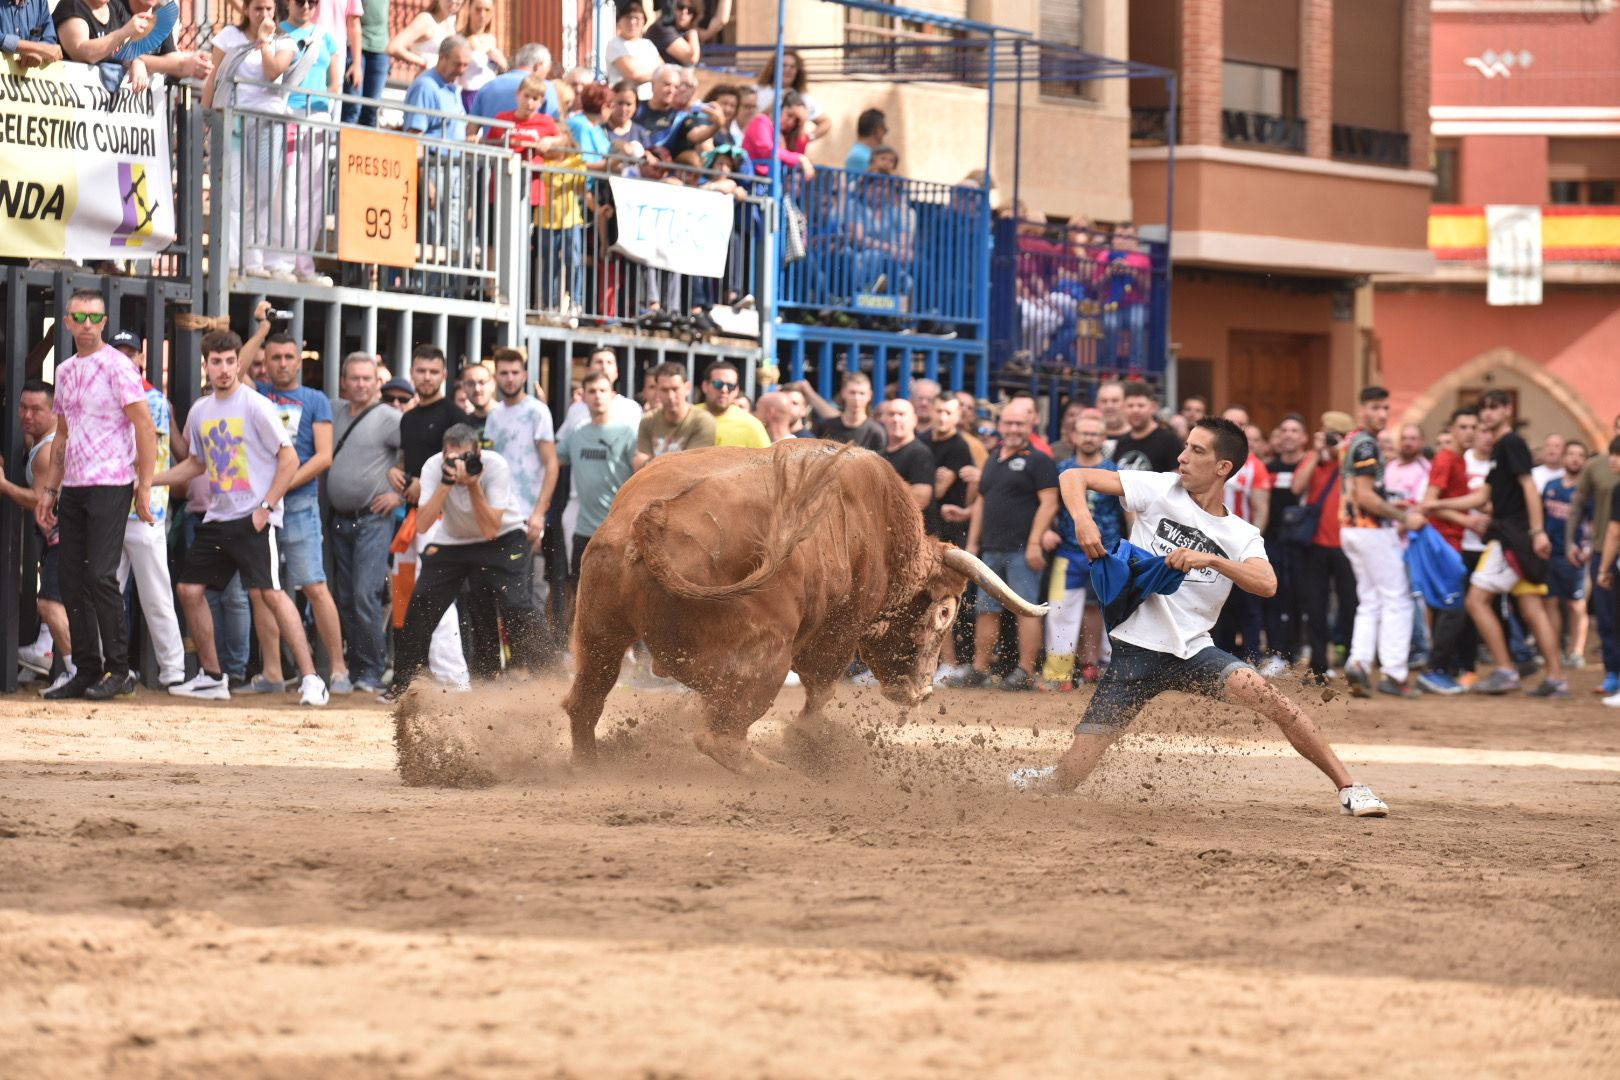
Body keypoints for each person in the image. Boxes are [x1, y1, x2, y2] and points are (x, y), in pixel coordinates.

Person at [1008, 418, 1390, 818]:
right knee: (1068, 780)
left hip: (1193, 653)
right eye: (1186, 447)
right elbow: (1072, 475)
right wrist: (1083, 522)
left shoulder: (1241, 534)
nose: (1182, 457)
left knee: (1280, 705)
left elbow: (1267, 583)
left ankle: (1351, 788)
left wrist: (1211, 559)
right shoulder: (1160, 487)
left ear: (1223, 467)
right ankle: (1049, 775)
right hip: (1133, 655)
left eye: (1196, 451)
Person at [157, 330, 328, 707]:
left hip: (253, 517)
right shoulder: (201, 410)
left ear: (239, 362)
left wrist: (266, 507)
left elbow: (290, 458)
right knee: (189, 590)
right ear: (206, 365)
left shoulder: (255, 405)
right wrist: (150, 479)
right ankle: (213, 677)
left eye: (229, 361)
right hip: (217, 517)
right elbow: (196, 464)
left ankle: (312, 679)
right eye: (215, 362)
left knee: (270, 593)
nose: (223, 369)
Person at [33, 290, 156, 701]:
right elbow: (63, 435)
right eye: (79, 317)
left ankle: (119, 669)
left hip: (112, 480)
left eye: (94, 317)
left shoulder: (119, 366)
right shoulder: (66, 370)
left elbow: (143, 425)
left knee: (101, 575)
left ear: (103, 323)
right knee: (70, 578)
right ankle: (86, 669)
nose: (86, 324)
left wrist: (145, 484)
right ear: (66, 322)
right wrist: (50, 489)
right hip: (76, 485)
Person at [380, 423, 545, 701]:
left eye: (464, 458)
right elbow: (422, 525)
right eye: (451, 458)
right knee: (421, 602)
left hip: (501, 538)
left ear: (477, 453)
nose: (457, 464)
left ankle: (547, 676)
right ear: (444, 453)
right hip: (454, 541)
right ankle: (406, 682)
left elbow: (490, 528)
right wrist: (445, 485)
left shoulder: (495, 466)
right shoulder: (433, 467)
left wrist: (472, 485)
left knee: (515, 604)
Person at [1423, 389, 1567, 697]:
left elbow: (1529, 487)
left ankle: (1505, 670)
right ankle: (1556, 678)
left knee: (1475, 601)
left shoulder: (1510, 443)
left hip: (1511, 538)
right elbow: (1483, 496)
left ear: (1507, 410)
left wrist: (1538, 531)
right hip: (1519, 537)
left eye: (1495, 408)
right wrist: (1436, 505)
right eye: (1484, 408)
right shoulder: (1502, 448)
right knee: (1532, 609)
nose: (1488, 414)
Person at [249, 331, 350, 694]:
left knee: (314, 585)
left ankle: (338, 669)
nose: (282, 364)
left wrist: (282, 483)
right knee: (262, 590)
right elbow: (238, 368)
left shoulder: (315, 399)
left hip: (299, 502)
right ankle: (273, 673)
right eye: (274, 357)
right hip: (262, 504)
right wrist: (260, 330)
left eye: (288, 357)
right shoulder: (257, 393)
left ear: (298, 360)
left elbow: (324, 456)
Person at [954, 398, 1059, 691]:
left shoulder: (1039, 460)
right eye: (1008, 423)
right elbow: (982, 502)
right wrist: (973, 545)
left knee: (1026, 609)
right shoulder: (993, 456)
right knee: (986, 609)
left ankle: (1025, 671)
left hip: (1023, 549)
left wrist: (1036, 542)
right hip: (991, 548)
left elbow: (1049, 505)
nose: (1013, 428)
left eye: (1019, 423)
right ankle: (980, 668)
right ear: (1000, 425)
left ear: (1030, 425)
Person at [390, 343, 473, 690]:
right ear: (412, 373)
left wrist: (421, 487)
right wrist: (395, 475)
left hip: (441, 520)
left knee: (434, 596)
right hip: (412, 520)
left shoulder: (455, 417)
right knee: (404, 596)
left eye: (433, 372)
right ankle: (408, 676)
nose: (426, 377)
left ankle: (452, 678)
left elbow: (466, 470)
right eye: (420, 371)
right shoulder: (407, 418)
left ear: (443, 375)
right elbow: (407, 462)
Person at [1334, 387, 1426, 699]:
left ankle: (1359, 663)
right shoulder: (1367, 445)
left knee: (1371, 600)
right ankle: (1395, 673)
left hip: (1350, 528)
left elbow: (1360, 494)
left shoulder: (1352, 440)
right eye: (1375, 407)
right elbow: (1365, 495)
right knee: (1397, 599)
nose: (1383, 414)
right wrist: (1402, 518)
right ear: (1362, 409)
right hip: (1371, 529)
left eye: (1386, 408)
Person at [107, 330, 187, 689]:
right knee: (110, 594)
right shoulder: (111, 394)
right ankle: (113, 668)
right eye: (119, 351)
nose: (125, 358)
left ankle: (173, 672)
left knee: (155, 595)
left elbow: (145, 453)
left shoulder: (152, 398)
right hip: (114, 510)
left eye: (130, 352)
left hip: (144, 510)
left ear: (139, 358)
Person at [201, 0, 299, 283]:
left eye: (269, 9)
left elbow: (273, 72)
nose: (264, 14)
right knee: (234, 192)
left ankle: (255, 259)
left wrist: (265, 41)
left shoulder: (284, 41)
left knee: (263, 193)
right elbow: (213, 78)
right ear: (246, 10)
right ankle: (233, 260)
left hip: (268, 124)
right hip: (233, 121)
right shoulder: (229, 36)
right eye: (258, 9)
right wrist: (206, 116)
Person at [326, 352, 402, 694]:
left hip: (373, 519)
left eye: (366, 379)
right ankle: (357, 666)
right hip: (339, 520)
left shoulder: (389, 417)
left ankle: (373, 667)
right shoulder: (333, 410)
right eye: (353, 378)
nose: (359, 384)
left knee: (364, 595)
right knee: (344, 596)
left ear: (376, 383)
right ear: (344, 382)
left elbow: (422, 452)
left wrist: (400, 495)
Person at [1041, 410, 1121, 687]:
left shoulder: (1115, 471)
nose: (1088, 438)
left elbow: (1128, 511)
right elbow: (1050, 505)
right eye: (1084, 433)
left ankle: (1110, 671)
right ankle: (1057, 674)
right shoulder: (1061, 468)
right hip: (1069, 552)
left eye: (1094, 433)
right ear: (1074, 436)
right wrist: (1047, 530)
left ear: (1103, 437)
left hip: (1107, 553)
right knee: (1060, 612)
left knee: (1113, 612)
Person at [2, 380, 70, 687]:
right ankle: (46, 652)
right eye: (23, 408)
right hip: (54, 537)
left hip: (64, 537)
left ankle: (75, 670)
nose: (27, 415)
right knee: (56, 599)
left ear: (54, 411)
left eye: (36, 409)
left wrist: (3, 486)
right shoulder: (40, 442)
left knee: (50, 603)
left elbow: (39, 498)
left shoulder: (47, 451)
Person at [486, 347, 560, 621]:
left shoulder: (537, 412)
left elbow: (551, 464)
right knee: (506, 593)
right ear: (496, 376)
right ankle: (514, 662)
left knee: (530, 593)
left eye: (515, 373)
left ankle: (538, 662)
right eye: (504, 373)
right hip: (500, 516)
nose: (509, 378)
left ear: (525, 375)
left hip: (528, 515)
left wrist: (539, 514)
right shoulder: (494, 416)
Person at [1417, 406, 1482, 695]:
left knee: (1451, 607)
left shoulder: (1458, 460)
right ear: (1452, 429)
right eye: (1464, 426)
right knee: (1453, 608)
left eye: (1473, 427)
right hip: (1444, 542)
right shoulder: (1446, 459)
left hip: (1452, 541)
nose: (1469, 432)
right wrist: (1467, 519)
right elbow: (1429, 502)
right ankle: (1434, 670)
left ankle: (1442, 668)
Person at [1290, 411, 1359, 684]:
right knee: (1315, 607)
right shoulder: (1313, 458)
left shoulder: (1352, 460)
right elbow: (1297, 486)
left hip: (1348, 544)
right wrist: (1317, 454)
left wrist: (1342, 453)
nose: (1329, 438)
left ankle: (1354, 661)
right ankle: (1319, 666)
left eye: (1335, 434)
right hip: (1316, 544)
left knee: (1351, 605)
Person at [556, 372, 638, 592]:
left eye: (603, 390)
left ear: (613, 395)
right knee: (581, 593)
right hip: (584, 529)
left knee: (619, 594)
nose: (597, 396)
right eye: (592, 391)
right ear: (583, 397)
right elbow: (550, 460)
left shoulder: (627, 431)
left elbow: (642, 471)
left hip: (619, 530)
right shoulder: (576, 434)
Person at [1574, 415, 1620, 697]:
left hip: (1611, 555)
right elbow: (1578, 506)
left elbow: (1616, 529)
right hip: (1605, 550)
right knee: (1607, 617)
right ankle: (1614, 672)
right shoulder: (1597, 468)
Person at [1260, 413, 1308, 673]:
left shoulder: (1312, 466)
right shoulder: (1269, 468)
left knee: (1301, 600)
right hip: (1273, 542)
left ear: (1304, 437)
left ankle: (1299, 649)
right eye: (1284, 429)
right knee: (1275, 599)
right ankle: (1278, 653)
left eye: (1294, 430)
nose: (1289, 434)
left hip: (1304, 545)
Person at [1541, 439, 1589, 670]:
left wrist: (1587, 548)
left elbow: (1594, 523)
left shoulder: (1587, 491)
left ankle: (1577, 651)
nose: (1575, 458)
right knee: (1550, 603)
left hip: (1576, 557)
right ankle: (1555, 648)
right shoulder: (1551, 486)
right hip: (1551, 554)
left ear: (1586, 461)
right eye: (1571, 453)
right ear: (1563, 457)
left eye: (1580, 454)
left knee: (1576, 605)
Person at [635, 362, 716, 467]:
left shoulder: (702, 421)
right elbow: (639, 463)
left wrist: (650, 465)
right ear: (657, 390)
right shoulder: (648, 420)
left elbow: (693, 465)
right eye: (664, 390)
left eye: (675, 389)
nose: (670, 396)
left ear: (687, 388)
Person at [754, 48, 830, 143]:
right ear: (774, 68)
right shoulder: (757, 91)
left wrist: (807, 139)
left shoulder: (801, 97)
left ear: (797, 71)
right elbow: (750, 121)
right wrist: (775, 103)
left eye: (792, 67)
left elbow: (825, 122)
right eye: (783, 65)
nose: (788, 70)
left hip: (789, 152)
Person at [743, 89, 815, 181]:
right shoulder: (761, 121)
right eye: (789, 115)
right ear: (779, 108)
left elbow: (796, 153)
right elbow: (767, 151)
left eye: (796, 120)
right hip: (752, 182)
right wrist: (800, 158)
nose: (791, 122)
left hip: (770, 184)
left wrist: (802, 125)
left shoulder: (783, 133)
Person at [801, 373, 884, 451]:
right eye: (852, 392)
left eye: (861, 393)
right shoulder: (826, 427)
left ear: (869, 395)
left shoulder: (876, 432)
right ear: (843, 393)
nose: (856, 398)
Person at [1109, 383, 1181, 472]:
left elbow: (1177, 478)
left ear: (1153, 407)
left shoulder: (1169, 440)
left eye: (1141, 405)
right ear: (1123, 408)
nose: (1135, 410)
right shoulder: (1121, 443)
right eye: (1130, 406)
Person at [877, 399, 933, 514]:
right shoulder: (879, 456)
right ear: (883, 420)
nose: (896, 419)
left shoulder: (920, 453)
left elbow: (921, 498)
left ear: (914, 420)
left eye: (901, 414)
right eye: (891, 414)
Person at [471, 42, 552, 119]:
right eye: (548, 68)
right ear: (538, 66)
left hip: (491, 133)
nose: (548, 72)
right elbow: (555, 124)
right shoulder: (546, 88)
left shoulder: (488, 86)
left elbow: (472, 127)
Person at [701, 360, 769, 448]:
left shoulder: (751, 425)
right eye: (718, 384)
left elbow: (767, 460)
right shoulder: (687, 415)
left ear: (736, 390)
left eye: (730, 386)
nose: (724, 390)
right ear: (705, 386)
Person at [344, 0, 390, 125]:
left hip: (380, 51)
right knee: (353, 107)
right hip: (356, 49)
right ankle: (344, 144)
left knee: (371, 109)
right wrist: (356, 62)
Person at [603, 0, 659, 100]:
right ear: (619, 21)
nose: (632, 22)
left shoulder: (648, 45)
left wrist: (652, 74)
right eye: (628, 18)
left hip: (649, 99)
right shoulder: (615, 44)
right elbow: (633, 74)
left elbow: (663, 69)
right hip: (624, 100)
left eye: (637, 18)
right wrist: (656, 75)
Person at [456, 0, 506, 111]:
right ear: (470, 10)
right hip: (469, 95)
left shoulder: (491, 39)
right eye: (478, 9)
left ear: (492, 12)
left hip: (490, 95)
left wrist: (502, 62)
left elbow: (501, 68)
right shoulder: (459, 38)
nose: (482, 15)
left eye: (487, 10)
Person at [386, 0, 459, 72]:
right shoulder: (426, 20)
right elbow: (394, 47)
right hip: (427, 79)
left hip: (444, 81)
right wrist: (423, 62)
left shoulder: (453, 21)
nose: (453, 1)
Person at [3, 0, 60, 69]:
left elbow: (49, 39)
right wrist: (37, 48)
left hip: (23, 78)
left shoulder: (40, 2)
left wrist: (37, 53)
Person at [645, 0, 699, 65]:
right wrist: (693, 33)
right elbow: (691, 59)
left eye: (690, 10)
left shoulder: (683, 30)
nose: (684, 12)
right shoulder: (662, 28)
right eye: (680, 7)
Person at [845, 108, 888, 172]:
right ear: (878, 130)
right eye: (885, 130)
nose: (886, 133)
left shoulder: (860, 153)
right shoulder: (862, 157)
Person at [1095, 379, 1128, 455]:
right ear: (1097, 404)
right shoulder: (1087, 436)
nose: (1109, 406)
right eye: (1104, 401)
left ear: (1125, 402)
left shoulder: (1139, 436)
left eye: (1115, 401)